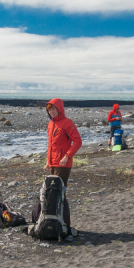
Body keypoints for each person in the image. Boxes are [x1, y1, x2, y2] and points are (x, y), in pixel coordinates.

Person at [45, 98, 82, 238]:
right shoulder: (50, 124)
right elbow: (51, 145)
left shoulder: (67, 123)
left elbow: (78, 141)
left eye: (53, 109)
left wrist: (67, 156)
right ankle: (55, 223)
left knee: (60, 194)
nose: (51, 112)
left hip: (64, 164)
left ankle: (65, 224)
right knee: (52, 194)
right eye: (49, 110)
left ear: (59, 109)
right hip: (53, 164)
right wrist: (48, 161)